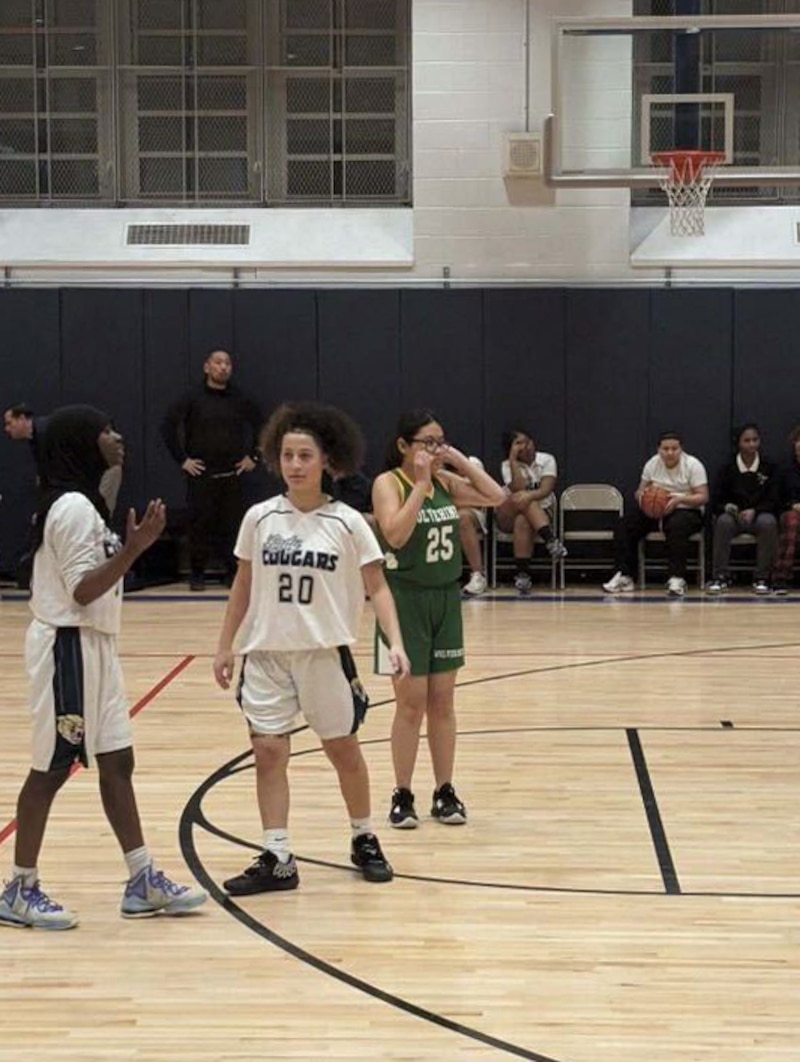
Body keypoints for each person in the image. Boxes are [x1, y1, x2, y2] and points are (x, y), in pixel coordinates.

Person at [0, 406, 207, 930]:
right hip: (65, 646)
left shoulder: (85, 502)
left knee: (117, 760)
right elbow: (83, 588)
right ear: (82, 443)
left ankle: (141, 881)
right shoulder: (70, 507)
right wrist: (134, 550)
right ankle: (18, 888)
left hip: (95, 646)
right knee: (51, 767)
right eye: (106, 431)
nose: (117, 437)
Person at [213, 401, 410, 895]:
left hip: (325, 654)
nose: (295, 465)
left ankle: (363, 837)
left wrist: (396, 642)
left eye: (305, 456)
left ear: (328, 461)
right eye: (287, 456)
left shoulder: (347, 523)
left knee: (342, 749)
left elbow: (378, 587)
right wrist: (225, 646)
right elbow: (242, 584)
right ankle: (278, 855)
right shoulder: (259, 518)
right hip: (266, 655)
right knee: (268, 752)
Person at [372, 410, 506, 829]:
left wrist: (459, 462)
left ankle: (445, 790)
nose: (435, 449)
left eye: (440, 441)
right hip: (404, 600)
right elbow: (394, 534)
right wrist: (421, 486)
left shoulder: (448, 482)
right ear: (403, 446)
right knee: (409, 705)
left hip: (445, 600)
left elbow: (496, 497)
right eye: (428, 442)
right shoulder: (388, 483)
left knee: (443, 702)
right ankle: (402, 793)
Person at [161, 350, 263, 591]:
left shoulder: (240, 398)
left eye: (228, 363)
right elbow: (167, 426)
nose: (223, 367)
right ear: (207, 367)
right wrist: (182, 459)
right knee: (199, 525)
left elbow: (262, 424)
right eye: (218, 363)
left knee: (233, 525)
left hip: (232, 475)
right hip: (201, 475)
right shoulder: (192, 398)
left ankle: (233, 573)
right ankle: (197, 574)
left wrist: (254, 457)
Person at [603, 431, 708, 598]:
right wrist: (643, 498)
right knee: (625, 524)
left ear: (681, 449)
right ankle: (625, 575)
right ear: (659, 449)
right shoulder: (652, 464)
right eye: (665, 448)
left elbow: (703, 496)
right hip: (655, 509)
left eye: (674, 448)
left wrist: (677, 500)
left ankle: (677, 578)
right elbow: (639, 491)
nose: (670, 452)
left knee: (676, 526)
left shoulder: (693, 465)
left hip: (686, 509)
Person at [706, 423, 778, 595]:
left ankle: (762, 578)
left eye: (755, 440)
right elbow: (716, 500)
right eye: (747, 440)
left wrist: (756, 510)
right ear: (738, 443)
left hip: (759, 515)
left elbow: (774, 499)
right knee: (723, 522)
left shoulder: (769, 467)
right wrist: (727, 507)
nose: (751, 444)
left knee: (769, 523)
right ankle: (720, 576)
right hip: (734, 516)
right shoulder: (727, 468)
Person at [496, 429, 567, 594]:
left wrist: (528, 496)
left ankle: (523, 575)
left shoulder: (547, 459)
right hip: (508, 514)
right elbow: (518, 487)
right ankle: (551, 540)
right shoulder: (506, 465)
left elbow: (545, 490)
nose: (526, 446)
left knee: (523, 516)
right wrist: (513, 460)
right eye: (519, 444)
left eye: (527, 441)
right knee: (520, 499)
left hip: (542, 511)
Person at [771, 424, 800, 595]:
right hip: (790, 511)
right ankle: (781, 576)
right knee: (792, 520)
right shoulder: (784, 469)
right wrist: (792, 505)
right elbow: (775, 498)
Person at [457, 456, 490, 597]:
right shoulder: (430, 464)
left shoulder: (472, 463)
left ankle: (478, 575)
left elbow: (479, 498)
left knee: (462, 517)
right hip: (443, 510)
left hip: (472, 512)